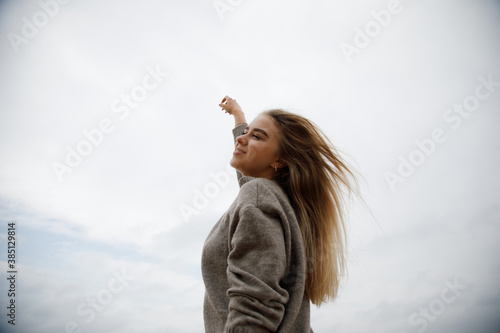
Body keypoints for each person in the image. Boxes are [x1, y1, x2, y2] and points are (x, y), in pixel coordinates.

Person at [201, 96, 362, 332]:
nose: (242, 139)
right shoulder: (275, 200)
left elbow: (253, 313)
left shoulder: (259, 196)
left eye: (256, 136)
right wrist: (238, 116)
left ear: (279, 159)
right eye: (246, 133)